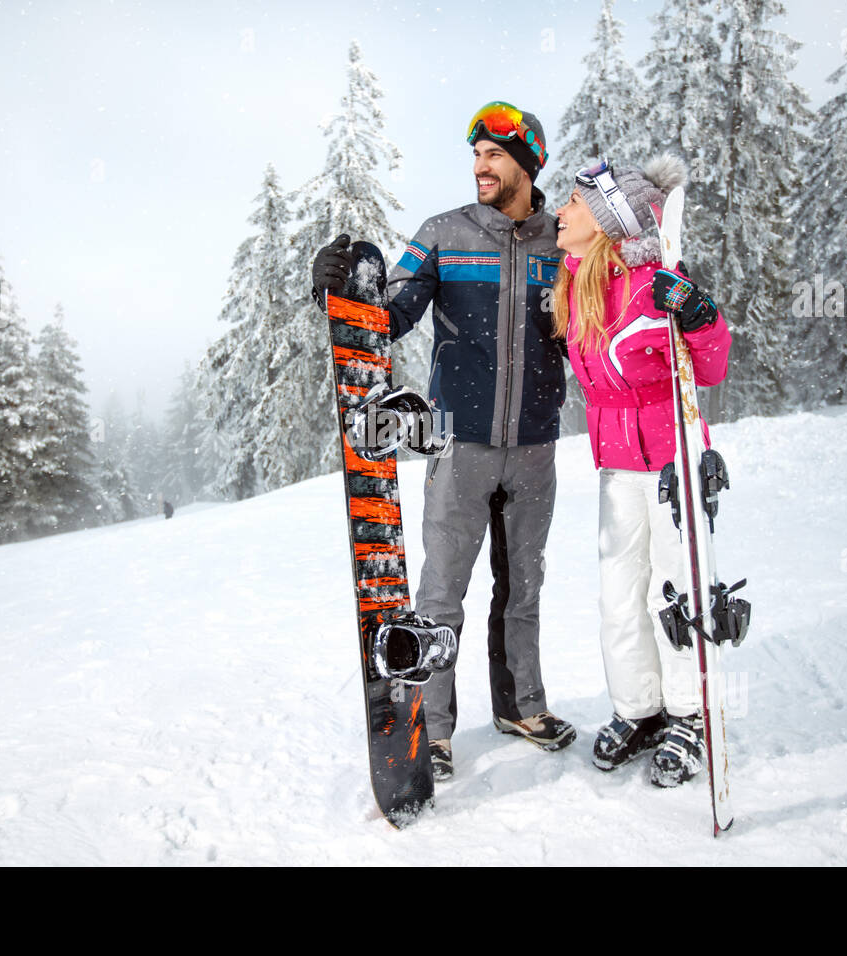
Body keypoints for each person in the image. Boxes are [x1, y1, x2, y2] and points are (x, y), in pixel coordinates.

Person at [312, 102, 575, 779]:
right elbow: (388, 316)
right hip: (458, 443)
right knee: (440, 594)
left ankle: (522, 705)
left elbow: (593, 324)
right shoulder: (442, 235)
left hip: (538, 446)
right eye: (477, 155)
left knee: (523, 589)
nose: (480, 166)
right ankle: (431, 730)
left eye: (493, 154)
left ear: (526, 162)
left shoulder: (562, 244)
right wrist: (345, 294)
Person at [552, 155, 731, 787]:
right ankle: (640, 708)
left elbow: (710, 369)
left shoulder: (657, 283)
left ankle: (689, 715)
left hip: (671, 456)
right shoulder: (575, 285)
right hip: (614, 465)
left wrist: (697, 315)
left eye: (574, 203)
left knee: (674, 588)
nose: (561, 210)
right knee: (617, 596)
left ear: (603, 221)